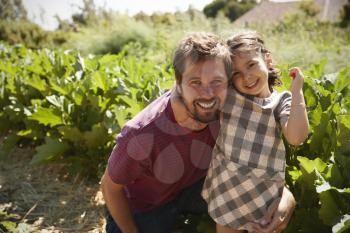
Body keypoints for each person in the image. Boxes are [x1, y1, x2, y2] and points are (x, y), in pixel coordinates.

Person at [100, 31, 297, 233]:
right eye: (195, 82)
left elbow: (254, 162)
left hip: (196, 188)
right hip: (144, 208)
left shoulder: (229, 109)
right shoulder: (141, 134)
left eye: (217, 82)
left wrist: (284, 195)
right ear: (178, 82)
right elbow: (109, 187)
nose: (208, 94)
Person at [202, 31, 309, 233]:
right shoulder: (230, 96)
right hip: (227, 189)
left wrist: (297, 93)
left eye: (251, 65)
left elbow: (297, 137)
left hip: (264, 194)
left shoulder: (280, 102)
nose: (247, 77)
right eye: (236, 73)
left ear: (267, 60)